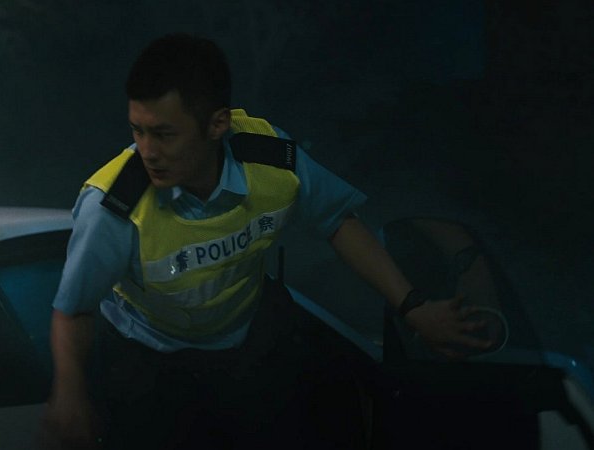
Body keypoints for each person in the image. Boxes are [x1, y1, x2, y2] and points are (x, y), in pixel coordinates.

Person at [41, 33, 491, 449]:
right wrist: (69, 394)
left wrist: (414, 308)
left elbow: (338, 220)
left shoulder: (269, 159)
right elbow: (74, 309)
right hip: (148, 360)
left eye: (164, 134)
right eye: (137, 131)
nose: (147, 151)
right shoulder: (113, 206)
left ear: (218, 124)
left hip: (249, 344)